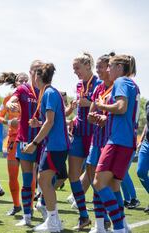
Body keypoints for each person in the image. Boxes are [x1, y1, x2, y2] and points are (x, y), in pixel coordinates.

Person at [93, 54, 140, 233]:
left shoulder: (121, 82)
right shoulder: (132, 84)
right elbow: (124, 113)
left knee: (98, 183)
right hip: (126, 142)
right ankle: (122, 228)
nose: (107, 70)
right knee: (113, 186)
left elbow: (121, 107)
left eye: (110, 66)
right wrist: (106, 117)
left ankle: (119, 228)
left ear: (120, 67)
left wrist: (102, 106)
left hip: (118, 141)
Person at [25, 63, 70, 232]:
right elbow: (51, 120)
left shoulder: (49, 93)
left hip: (55, 146)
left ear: (38, 76)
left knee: (44, 181)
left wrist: (34, 143)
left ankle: (52, 222)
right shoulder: (50, 92)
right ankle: (54, 221)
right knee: (45, 181)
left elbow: (50, 122)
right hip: (55, 145)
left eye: (33, 76)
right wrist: (39, 123)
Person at [6, 61, 42, 226]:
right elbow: (12, 99)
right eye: (35, 70)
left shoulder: (47, 90)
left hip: (43, 140)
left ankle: (45, 208)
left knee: (47, 178)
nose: (37, 73)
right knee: (27, 179)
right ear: (30, 72)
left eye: (40, 70)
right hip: (25, 140)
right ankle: (27, 216)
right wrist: (10, 103)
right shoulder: (23, 89)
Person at [69, 52, 101, 230]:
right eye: (73, 69)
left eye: (77, 68)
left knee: (94, 177)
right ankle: (83, 216)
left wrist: (88, 103)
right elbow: (79, 109)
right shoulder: (78, 84)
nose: (75, 72)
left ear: (88, 65)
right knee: (73, 175)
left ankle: (102, 218)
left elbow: (101, 106)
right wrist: (73, 119)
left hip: (94, 135)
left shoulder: (99, 83)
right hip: (79, 133)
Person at [86, 53, 114, 232]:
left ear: (109, 68)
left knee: (105, 183)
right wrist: (94, 116)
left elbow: (119, 112)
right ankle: (100, 223)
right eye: (97, 67)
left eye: (101, 67)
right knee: (92, 178)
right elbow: (90, 113)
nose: (98, 70)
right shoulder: (98, 89)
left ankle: (111, 220)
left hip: (110, 141)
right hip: (96, 140)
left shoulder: (117, 87)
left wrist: (106, 117)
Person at [0, 72, 28, 215]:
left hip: (27, 140)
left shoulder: (32, 98)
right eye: (21, 80)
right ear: (15, 83)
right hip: (12, 140)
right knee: (13, 175)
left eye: (26, 80)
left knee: (29, 175)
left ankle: (30, 207)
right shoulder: (8, 99)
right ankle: (16, 205)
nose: (23, 82)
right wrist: (10, 122)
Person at [137, 104, 149, 213]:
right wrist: (141, 140)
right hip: (146, 143)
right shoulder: (148, 104)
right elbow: (147, 123)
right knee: (140, 171)